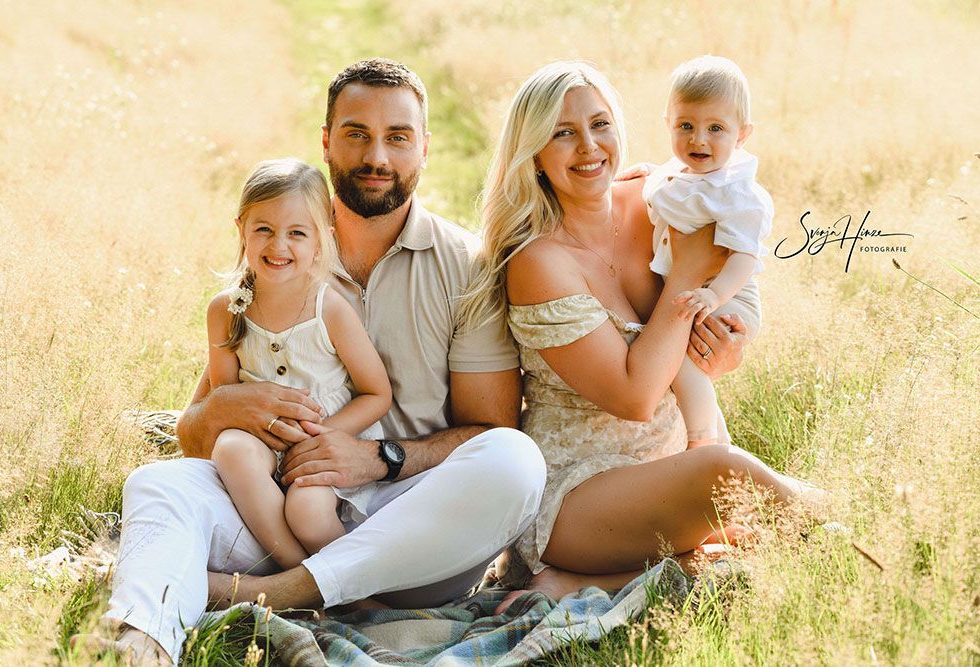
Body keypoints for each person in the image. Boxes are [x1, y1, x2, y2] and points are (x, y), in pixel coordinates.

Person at [72, 58, 546, 665]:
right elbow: (192, 435)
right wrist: (223, 406)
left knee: (516, 461)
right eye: (356, 134)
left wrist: (379, 457)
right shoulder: (279, 253)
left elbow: (491, 428)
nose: (377, 155)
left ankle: (282, 593)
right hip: (282, 513)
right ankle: (142, 640)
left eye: (397, 137)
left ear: (425, 147)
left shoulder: (466, 267)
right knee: (158, 484)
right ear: (326, 141)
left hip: (412, 530)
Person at [458, 61, 823, 606]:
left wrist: (723, 347)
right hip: (575, 497)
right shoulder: (539, 261)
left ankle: (590, 582)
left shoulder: (660, 199)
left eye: (600, 124)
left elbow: (717, 317)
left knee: (730, 491)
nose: (589, 147)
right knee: (723, 472)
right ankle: (841, 531)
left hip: (663, 467)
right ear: (533, 152)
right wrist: (682, 276)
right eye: (563, 133)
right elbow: (635, 396)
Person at [208, 158, 391, 570]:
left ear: (320, 240)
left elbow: (377, 393)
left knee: (307, 511)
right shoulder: (225, 309)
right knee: (231, 448)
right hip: (261, 443)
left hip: (323, 440)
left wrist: (321, 437)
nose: (278, 246)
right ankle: (300, 582)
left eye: (296, 233)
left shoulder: (329, 309)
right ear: (242, 230)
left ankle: (353, 589)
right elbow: (225, 396)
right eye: (264, 230)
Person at [644, 55, 772, 447]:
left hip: (730, 294)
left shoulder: (736, 193)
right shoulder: (680, 174)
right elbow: (665, 187)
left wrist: (714, 295)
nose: (699, 139)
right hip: (698, 290)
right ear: (668, 124)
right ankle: (715, 441)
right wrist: (643, 174)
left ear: (742, 135)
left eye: (716, 128)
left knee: (682, 360)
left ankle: (703, 440)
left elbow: (744, 258)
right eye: (686, 126)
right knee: (681, 359)